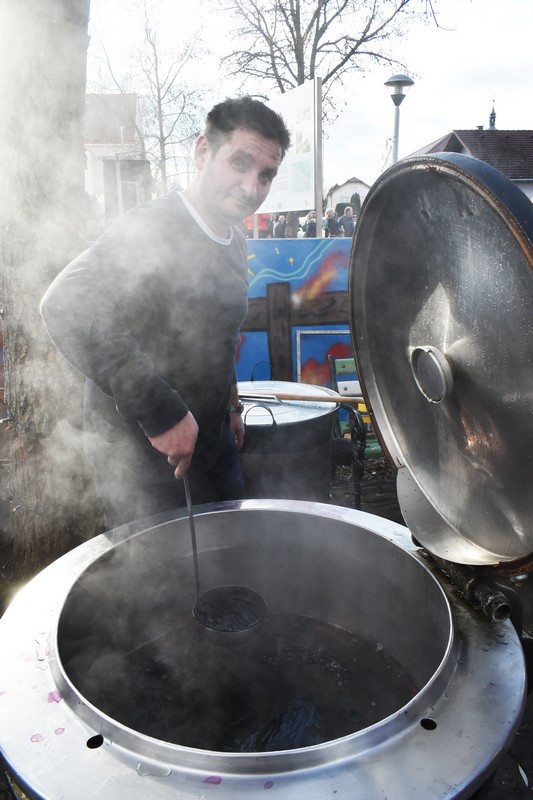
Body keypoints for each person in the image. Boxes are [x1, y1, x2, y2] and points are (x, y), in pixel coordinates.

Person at [40, 96, 291, 529]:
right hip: (142, 458)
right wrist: (162, 414)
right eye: (240, 163)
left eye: (265, 175)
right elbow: (67, 300)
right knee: (157, 569)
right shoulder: (152, 226)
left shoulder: (235, 239)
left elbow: (218, 332)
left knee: (231, 550)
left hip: (214, 446)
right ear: (203, 152)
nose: (252, 188)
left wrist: (232, 405)